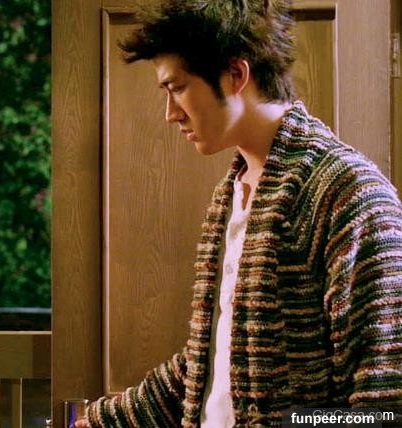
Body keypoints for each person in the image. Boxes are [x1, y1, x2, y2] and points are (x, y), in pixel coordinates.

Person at [76, 0, 402, 426]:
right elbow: (213, 361)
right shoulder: (233, 189)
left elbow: (383, 400)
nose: (170, 114)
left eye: (177, 88)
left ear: (236, 74)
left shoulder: (348, 191)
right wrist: (103, 419)